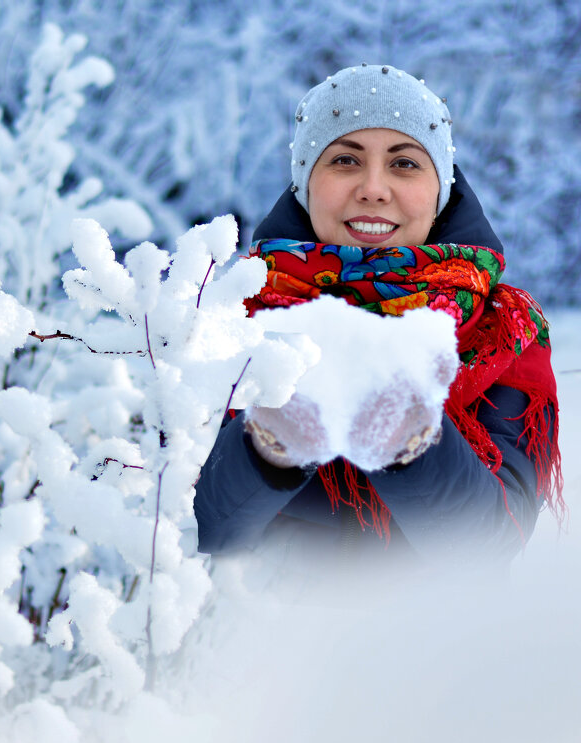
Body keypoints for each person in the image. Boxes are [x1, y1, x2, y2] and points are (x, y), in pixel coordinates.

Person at [194, 64, 561, 571]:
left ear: (440, 188)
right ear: (305, 183)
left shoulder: (503, 330)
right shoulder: (226, 317)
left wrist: (412, 445)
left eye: (405, 164)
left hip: (430, 642)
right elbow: (184, 530)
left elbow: (493, 543)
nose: (373, 188)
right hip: (255, 643)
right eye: (345, 159)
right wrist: (269, 450)